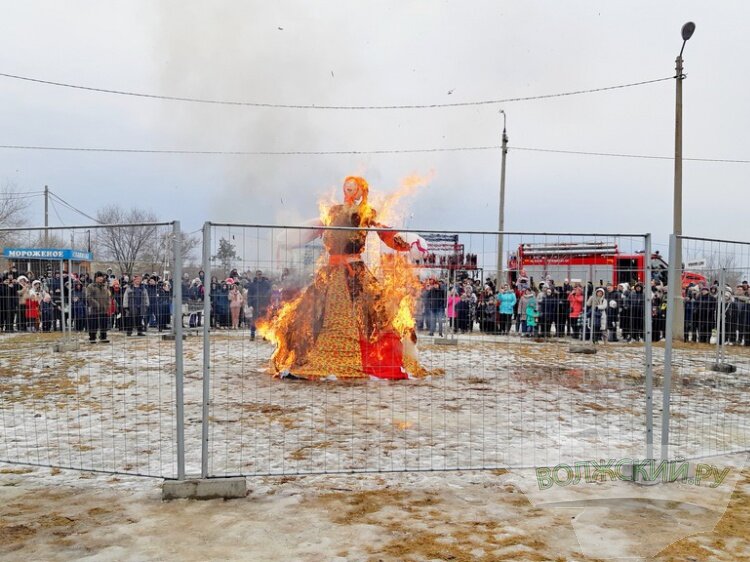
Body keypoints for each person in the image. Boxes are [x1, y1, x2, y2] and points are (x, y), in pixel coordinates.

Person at [261, 176, 423, 379]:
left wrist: (409, 243)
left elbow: (385, 233)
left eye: (354, 189)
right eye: (347, 188)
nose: (349, 192)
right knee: (310, 312)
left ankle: (361, 360)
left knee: (371, 315)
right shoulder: (333, 211)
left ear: (361, 192)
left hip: (355, 272)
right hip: (330, 272)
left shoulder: (366, 213)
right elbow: (317, 227)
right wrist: (289, 238)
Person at [85, 271, 110, 343]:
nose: (100, 278)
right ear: (96, 278)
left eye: (101, 277)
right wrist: (96, 304)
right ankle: (92, 338)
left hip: (104, 308)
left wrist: (108, 304)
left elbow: (108, 296)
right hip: (94, 309)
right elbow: (89, 297)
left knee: (104, 324)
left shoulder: (105, 286)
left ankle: (103, 337)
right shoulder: (91, 286)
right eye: (99, 277)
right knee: (93, 324)